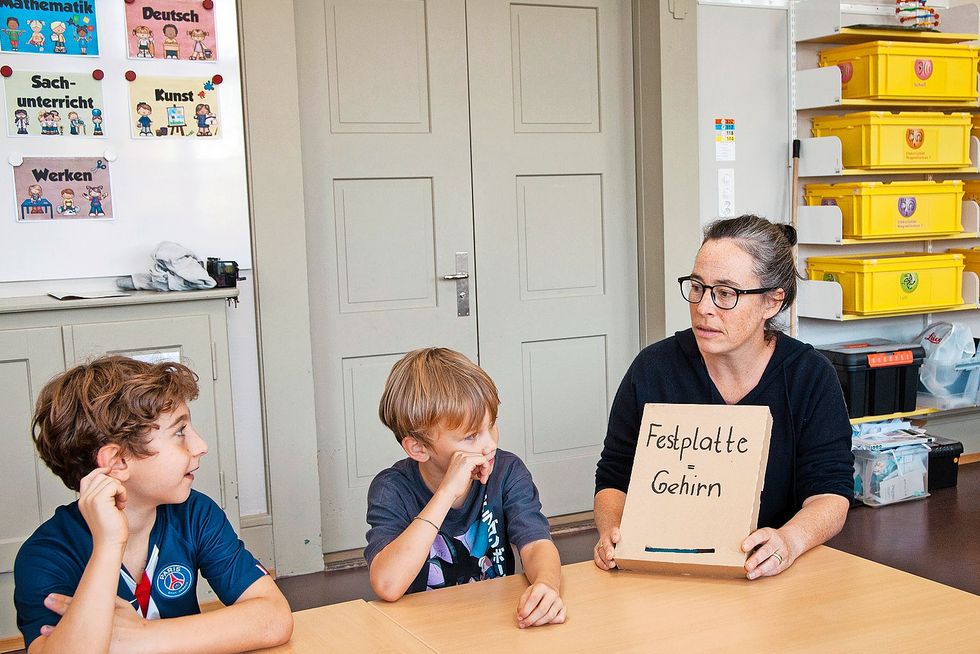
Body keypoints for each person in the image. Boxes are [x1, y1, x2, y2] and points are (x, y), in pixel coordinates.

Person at [593, 214, 854, 580]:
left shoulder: (809, 377)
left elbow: (831, 493)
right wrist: (612, 532)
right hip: (663, 571)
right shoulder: (653, 369)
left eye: (726, 293)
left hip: (770, 576)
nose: (704, 307)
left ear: (772, 302)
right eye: (697, 287)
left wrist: (789, 542)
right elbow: (614, 477)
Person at [14, 356, 293, 653]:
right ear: (118, 461)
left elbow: (273, 618)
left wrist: (141, 638)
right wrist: (108, 544)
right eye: (180, 432)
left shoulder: (195, 514)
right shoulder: (46, 554)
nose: (201, 446)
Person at [366, 348, 566, 629]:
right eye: (471, 436)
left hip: (494, 625)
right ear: (419, 448)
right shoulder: (392, 489)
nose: (490, 444)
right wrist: (446, 493)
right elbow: (388, 585)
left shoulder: (506, 471)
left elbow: (535, 545)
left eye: (491, 426)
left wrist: (547, 585)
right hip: (420, 631)